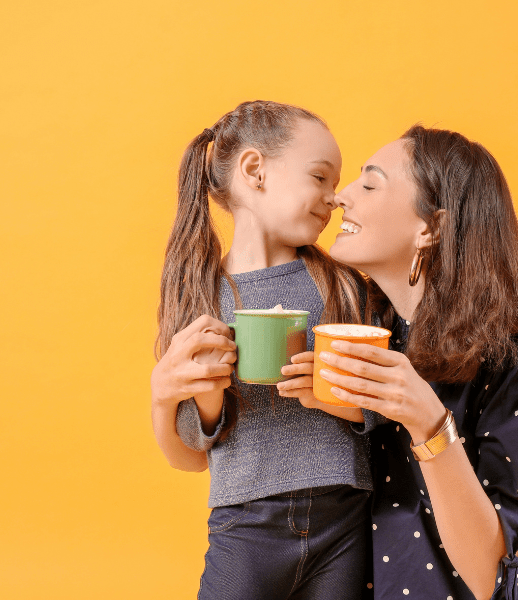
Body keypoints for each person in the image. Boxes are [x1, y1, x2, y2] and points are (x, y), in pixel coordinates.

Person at [303, 125, 518, 599]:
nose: (341, 197)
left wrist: (429, 423)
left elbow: (497, 578)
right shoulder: (371, 328)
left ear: (432, 228)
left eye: (371, 183)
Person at [150, 100, 373, 600]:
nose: (334, 198)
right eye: (320, 177)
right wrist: (203, 398)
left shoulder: (342, 284)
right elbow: (192, 451)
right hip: (245, 526)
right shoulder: (202, 295)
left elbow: (384, 407)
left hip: (347, 521)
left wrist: (331, 394)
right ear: (255, 171)